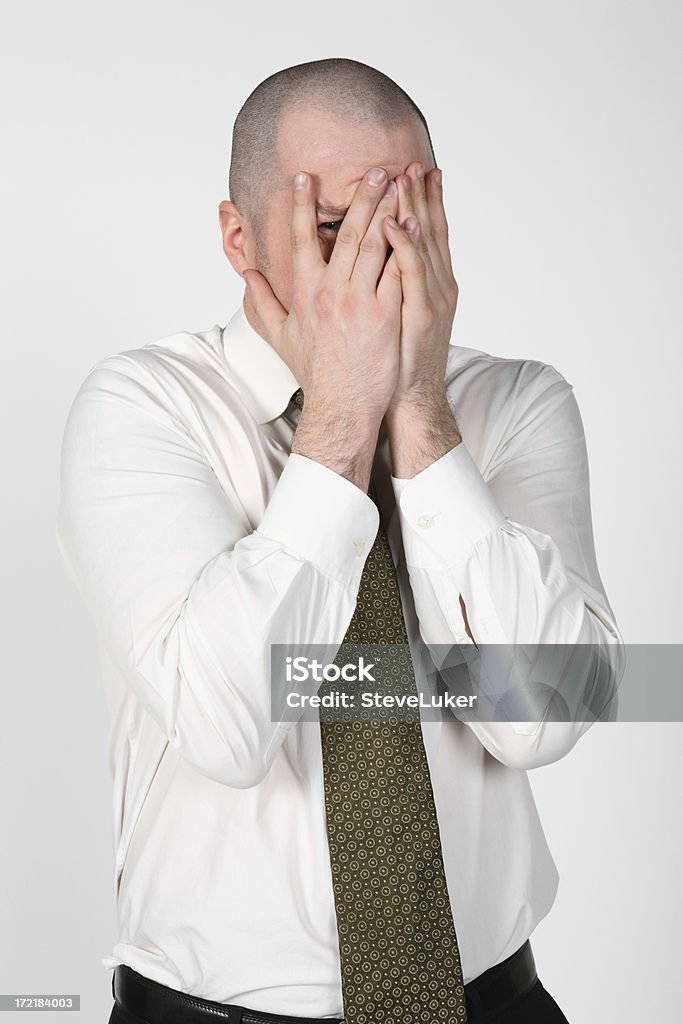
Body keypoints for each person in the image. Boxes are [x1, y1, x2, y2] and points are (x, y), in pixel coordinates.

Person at [56, 57, 624, 1024]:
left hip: (490, 1005)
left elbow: (543, 714)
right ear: (240, 239)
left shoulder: (517, 404)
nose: (384, 265)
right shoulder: (142, 408)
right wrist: (341, 419)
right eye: (337, 229)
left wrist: (417, 412)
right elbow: (230, 728)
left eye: (405, 223)